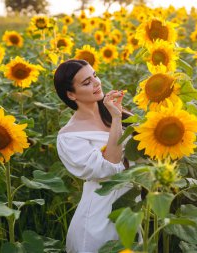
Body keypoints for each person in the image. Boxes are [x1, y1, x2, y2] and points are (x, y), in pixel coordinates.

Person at [54, 59, 135, 253]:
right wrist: (116, 117)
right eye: (86, 82)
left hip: (132, 214)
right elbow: (111, 166)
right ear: (71, 94)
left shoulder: (116, 113)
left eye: (95, 76)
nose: (96, 83)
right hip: (99, 221)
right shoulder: (70, 136)